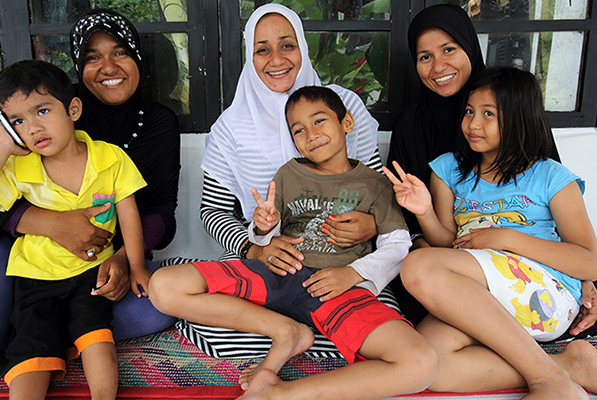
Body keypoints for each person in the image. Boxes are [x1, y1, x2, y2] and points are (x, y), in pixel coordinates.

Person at [148, 86, 438, 400]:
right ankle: (285, 331)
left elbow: (397, 245)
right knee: (163, 285)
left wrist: (353, 274)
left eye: (320, 121)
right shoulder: (290, 173)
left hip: (335, 288)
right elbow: (267, 239)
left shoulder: (376, 184)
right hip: (276, 275)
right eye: (298, 130)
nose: (311, 134)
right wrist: (262, 229)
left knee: (420, 363)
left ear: (347, 123)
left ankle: (281, 394)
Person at [0, 9, 179, 387]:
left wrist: (127, 260)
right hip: (16, 253)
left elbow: (160, 211)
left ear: (138, 57)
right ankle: (25, 322)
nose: (108, 66)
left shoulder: (157, 122)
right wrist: (53, 224)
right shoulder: (42, 110)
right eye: (92, 56)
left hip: (96, 261)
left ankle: (38, 327)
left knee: (155, 309)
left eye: (119, 51)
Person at [384, 67, 597, 399]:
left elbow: (590, 264)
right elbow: (448, 244)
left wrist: (506, 238)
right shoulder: (447, 170)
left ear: (519, 118)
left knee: (417, 266)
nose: (473, 124)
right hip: (478, 294)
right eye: (470, 111)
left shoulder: (550, 176)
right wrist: (425, 211)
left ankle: (547, 380)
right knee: (429, 362)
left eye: (488, 114)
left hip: (544, 296)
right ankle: (569, 366)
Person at [386, 3, 597, 336]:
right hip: (446, 260)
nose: (438, 65)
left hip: (532, 267)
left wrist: (584, 277)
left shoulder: (516, 109)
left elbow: (570, 236)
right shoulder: (416, 131)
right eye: (424, 56)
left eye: (449, 49)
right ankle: (561, 367)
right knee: (423, 340)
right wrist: (422, 236)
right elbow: (421, 227)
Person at [197, 4, 386, 285]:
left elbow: (377, 185)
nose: (276, 60)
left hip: (343, 253)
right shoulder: (232, 126)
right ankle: (286, 327)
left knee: (376, 320)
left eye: (287, 45)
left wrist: (372, 225)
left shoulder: (343, 106)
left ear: (303, 49)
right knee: (212, 321)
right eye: (262, 50)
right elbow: (213, 211)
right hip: (264, 253)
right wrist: (254, 249)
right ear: (250, 56)